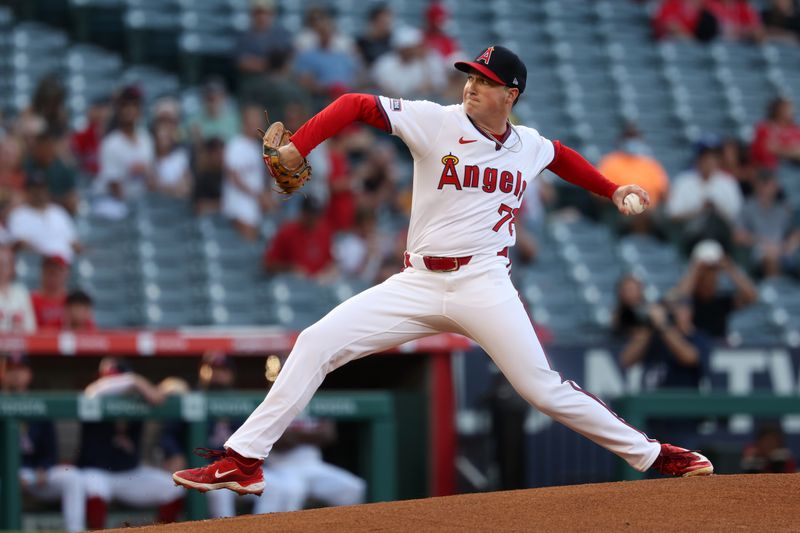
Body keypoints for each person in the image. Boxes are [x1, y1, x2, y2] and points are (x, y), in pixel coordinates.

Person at [173, 45, 714, 498]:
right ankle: (243, 461)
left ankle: (654, 455)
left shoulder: (527, 145)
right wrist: (298, 146)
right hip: (418, 282)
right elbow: (356, 103)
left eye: (486, 80)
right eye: (471, 77)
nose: (473, 86)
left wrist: (612, 188)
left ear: (511, 95)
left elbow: (560, 156)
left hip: (484, 282)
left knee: (542, 389)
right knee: (316, 342)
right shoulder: (436, 122)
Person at [79, 357, 184, 529]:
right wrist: (134, 380)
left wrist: (162, 389)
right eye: (108, 378)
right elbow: (94, 390)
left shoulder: (138, 397)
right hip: (97, 473)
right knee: (93, 488)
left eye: (117, 377)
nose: (112, 382)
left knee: (173, 488)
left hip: (129, 472)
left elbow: (173, 388)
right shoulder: (95, 393)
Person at [1, 353, 86, 532]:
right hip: (4, 475)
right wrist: (9, 473)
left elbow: (50, 450)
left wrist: (44, 467)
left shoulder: (40, 402)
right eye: (10, 370)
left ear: (29, 374)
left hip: (34, 474)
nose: (16, 374)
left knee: (72, 477)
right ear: (3, 373)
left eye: (21, 369)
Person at [617, 295, 711, 447]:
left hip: (682, 422)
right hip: (652, 420)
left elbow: (689, 357)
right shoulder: (655, 338)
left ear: (689, 311)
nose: (672, 313)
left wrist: (664, 325)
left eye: (677, 308)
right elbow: (626, 360)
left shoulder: (698, 338)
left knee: (684, 467)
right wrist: (649, 327)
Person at [665, 139, 743, 253]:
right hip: (691, 235)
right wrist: (699, 209)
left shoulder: (728, 182)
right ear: (698, 159)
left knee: (713, 221)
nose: (710, 162)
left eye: (714, 158)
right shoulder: (684, 181)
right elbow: (672, 213)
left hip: (722, 236)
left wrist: (716, 209)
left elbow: (737, 215)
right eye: (706, 158)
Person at [671, 239, 758, 339]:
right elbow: (679, 300)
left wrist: (730, 268)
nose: (710, 276)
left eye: (714, 270)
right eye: (706, 271)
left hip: (719, 348)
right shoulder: (689, 299)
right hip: (695, 347)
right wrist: (695, 269)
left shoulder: (722, 300)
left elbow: (752, 296)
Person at [734, 171, 800, 277]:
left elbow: (795, 232)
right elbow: (738, 236)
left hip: (783, 251)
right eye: (766, 184)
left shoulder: (783, 208)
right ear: (758, 185)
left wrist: (789, 245)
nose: (771, 188)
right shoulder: (747, 208)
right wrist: (762, 242)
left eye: (773, 184)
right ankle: (774, 290)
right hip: (758, 252)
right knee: (770, 257)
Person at [222, 106, 270, 240]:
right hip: (239, 205)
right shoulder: (236, 144)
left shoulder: (255, 146)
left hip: (252, 205)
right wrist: (258, 195)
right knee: (246, 246)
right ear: (245, 123)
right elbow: (233, 177)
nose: (259, 125)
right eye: (255, 122)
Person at [7, 171, 80, 261]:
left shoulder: (59, 212)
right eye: (35, 188)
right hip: (37, 264)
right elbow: (20, 244)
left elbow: (73, 242)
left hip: (64, 264)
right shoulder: (18, 214)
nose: (39, 192)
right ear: (27, 191)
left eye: (42, 188)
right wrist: (47, 255)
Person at [264, 195, 336, 279]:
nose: (314, 219)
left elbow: (330, 262)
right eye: (310, 216)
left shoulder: (325, 231)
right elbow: (268, 265)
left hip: (319, 284)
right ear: (302, 213)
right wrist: (290, 269)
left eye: (316, 216)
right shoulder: (286, 232)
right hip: (294, 286)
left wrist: (329, 272)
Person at [371, 26, 447, 99]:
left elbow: (439, 84)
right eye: (410, 47)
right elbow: (384, 89)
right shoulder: (384, 64)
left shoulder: (424, 62)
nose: (414, 50)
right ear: (401, 48)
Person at [151, 98, 192, 199]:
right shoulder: (146, 148)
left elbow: (186, 188)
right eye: (162, 121)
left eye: (170, 121)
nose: (166, 126)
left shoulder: (186, 150)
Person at [750, 97, 800, 171]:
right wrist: (792, 151)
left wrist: (782, 149)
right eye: (788, 109)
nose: (792, 112)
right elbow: (769, 149)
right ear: (778, 110)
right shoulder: (765, 127)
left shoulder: (795, 130)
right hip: (768, 170)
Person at [0, 245, 36, 332]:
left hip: (19, 344)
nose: (1, 269)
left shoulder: (21, 292)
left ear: (12, 267)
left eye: (4, 264)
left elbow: (31, 328)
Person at [30, 255, 70, 330]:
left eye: (58, 270)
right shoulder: (30, 300)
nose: (54, 274)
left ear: (66, 272)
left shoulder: (73, 300)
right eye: (50, 270)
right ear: (42, 271)